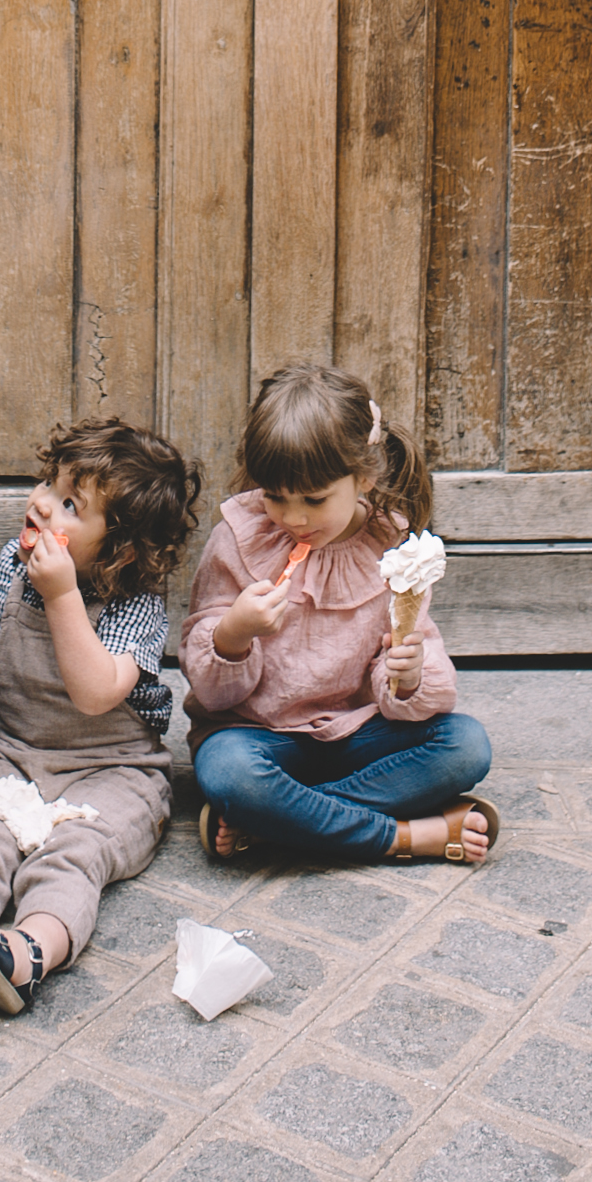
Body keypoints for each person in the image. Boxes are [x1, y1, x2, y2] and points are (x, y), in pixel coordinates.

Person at [0, 418, 200, 1013]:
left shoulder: (136, 606)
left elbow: (99, 692)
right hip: (18, 754)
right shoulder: (15, 567)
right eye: (50, 483)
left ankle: (23, 954)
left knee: (73, 852)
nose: (44, 504)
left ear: (121, 547)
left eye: (71, 503)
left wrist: (64, 596)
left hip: (115, 770)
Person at [181, 362, 497, 865]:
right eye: (276, 497)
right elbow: (211, 691)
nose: (294, 517)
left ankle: (277, 824)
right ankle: (405, 837)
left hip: (357, 733)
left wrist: (409, 676)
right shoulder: (240, 539)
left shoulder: (392, 549)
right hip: (258, 736)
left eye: (314, 498)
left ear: (364, 477)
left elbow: (406, 657)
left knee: (466, 745)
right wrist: (235, 633)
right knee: (231, 775)